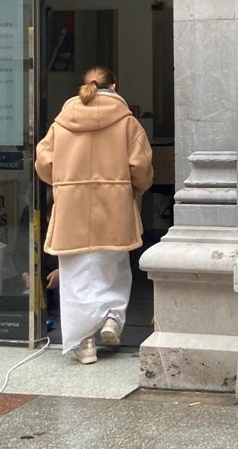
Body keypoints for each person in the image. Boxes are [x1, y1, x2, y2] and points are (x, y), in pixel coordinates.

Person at [35, 66, 152, 364]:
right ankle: (112, 319)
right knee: (112, 267)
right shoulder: (127, 122)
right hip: (114, 207)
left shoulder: (62, 121)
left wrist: (65, 180)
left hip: (71, 208)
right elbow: (141, 169)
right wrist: (129, 186)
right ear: (114, 85)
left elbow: (44, 161)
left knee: (75, 275)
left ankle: (84, 343)